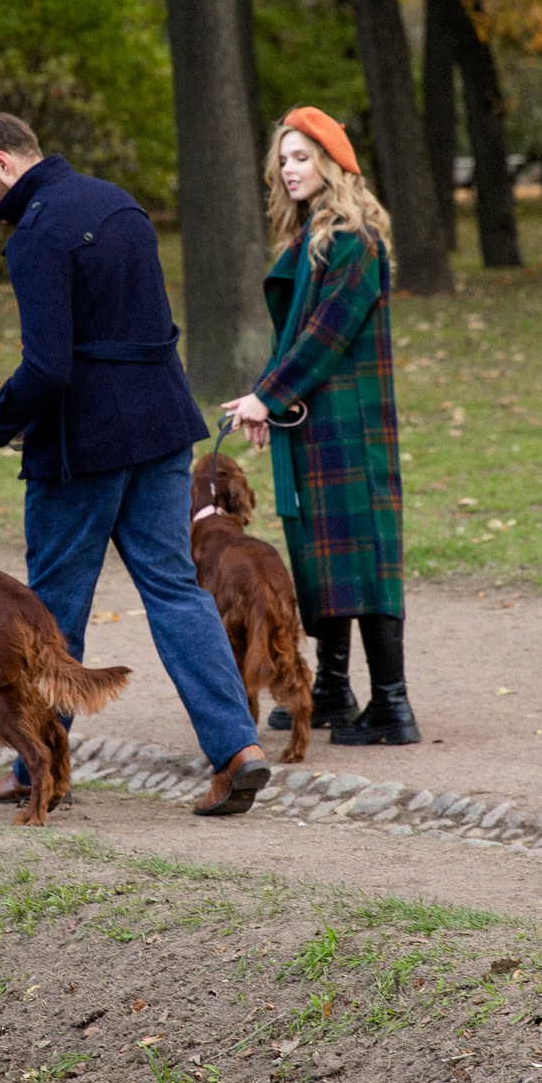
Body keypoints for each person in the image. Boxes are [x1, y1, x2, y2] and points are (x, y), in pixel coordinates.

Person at [0, 111, 272, 817]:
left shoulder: (36, 234)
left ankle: (38, 769)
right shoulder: (118, 203)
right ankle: (238, 749)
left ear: (2, 163)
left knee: (51, 611)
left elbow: (48, 366)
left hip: (82, 448)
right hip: (161, 427)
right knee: (177, 591)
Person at [223, 107, 419, 746]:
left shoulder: (355, 240)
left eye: (302, 157)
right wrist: (265, 398)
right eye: (283, 159)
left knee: (366, 557)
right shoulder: (309, 238)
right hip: (315, 422)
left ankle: (392, 707)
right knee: (320, 555)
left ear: (333, 164)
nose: (289, 168)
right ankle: (333, 690)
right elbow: (294, 338)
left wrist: (268, 397)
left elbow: (327, 335)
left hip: (350, 427)